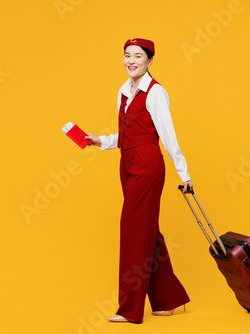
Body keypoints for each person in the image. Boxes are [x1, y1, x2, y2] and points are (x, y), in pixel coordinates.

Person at [83, 38, 194, 324]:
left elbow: (167, 136)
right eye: (127, 55)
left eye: (138, 56)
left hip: (147, 163)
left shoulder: (156, 93)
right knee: (146, 230)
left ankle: (129, 309)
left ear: (149, 61)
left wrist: (185, 174)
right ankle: (168, 299)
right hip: (127, 160)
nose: (131, 61)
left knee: (133, 229)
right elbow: (130, 132)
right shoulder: (123, 90)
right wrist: (102, 141)